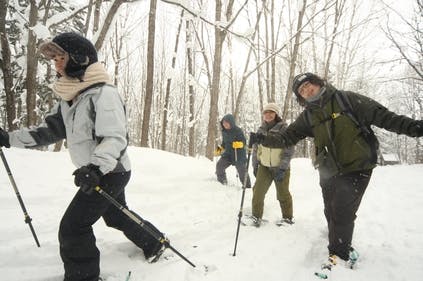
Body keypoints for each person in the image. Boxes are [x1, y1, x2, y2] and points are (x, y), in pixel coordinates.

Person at [0, 32, 165, 281]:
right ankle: (155, 242)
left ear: (79, 59)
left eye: (60, 57)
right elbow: (49, 130)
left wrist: (96, 169)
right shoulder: (72, 96)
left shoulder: (103, 94)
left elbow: (114, 138)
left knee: (73, 227)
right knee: (115, 214)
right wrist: (9, 139)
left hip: (109, 171)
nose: (55, 63)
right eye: (53, 58)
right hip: (99, 171)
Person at [252, 72, 423, 268]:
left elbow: (385, 117)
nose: (306, 90)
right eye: (301, 90)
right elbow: (287, 137)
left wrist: (416, 128)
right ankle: (337, 236)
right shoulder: (309, 115)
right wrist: (263, 139)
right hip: (328, 170)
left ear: (317, 83)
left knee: (342, 211)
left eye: (308, 85)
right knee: (330, 209)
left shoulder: (347, 99)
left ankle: (339, 256)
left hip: (357, 166)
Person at [244, 103, 294, 227]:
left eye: (271, 112)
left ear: (276, 114)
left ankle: (287, 218)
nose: (268, 115)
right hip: (264, 167)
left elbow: (289, 150)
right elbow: (256, 149)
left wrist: (282, 167)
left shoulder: (284, 129)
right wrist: (255, 165)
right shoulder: (260, 129)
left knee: (282, 193)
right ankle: (256, 217)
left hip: (280, 168)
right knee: (258, 192)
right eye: (266, 112)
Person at [215, 114, 251, 188]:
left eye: (226, 123)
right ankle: (222, 182)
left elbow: (244, 142)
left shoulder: (238, 131)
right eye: (223, 123)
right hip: (228, 154)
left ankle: (247, 186)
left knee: (241, 170)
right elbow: (224, 143)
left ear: (231, 122)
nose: (225, 125)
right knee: (219, 165)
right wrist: (218, 150)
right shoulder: (224, 131)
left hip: (238, 154)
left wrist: (239, 144)